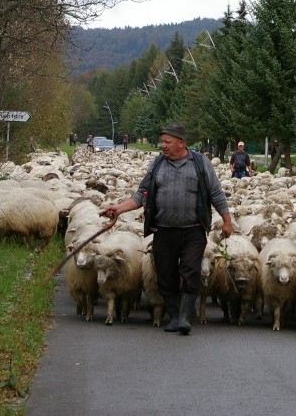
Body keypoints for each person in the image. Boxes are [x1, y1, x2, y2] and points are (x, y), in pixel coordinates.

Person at [99, 122, 234, 336]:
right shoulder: (158, 164)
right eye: (162, 141)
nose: (163, 145)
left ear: (181, 143)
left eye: (167, 142)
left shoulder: (200, 163)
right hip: (163, 229)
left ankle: (184, 318)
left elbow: (216, 194)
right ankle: (173, 315)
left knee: (190, 271)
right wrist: (118, 209)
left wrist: (227, 221)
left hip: (194, 229)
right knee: (165, 274)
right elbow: (141, 195)